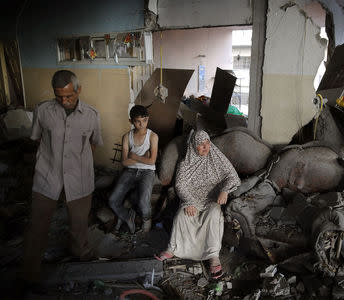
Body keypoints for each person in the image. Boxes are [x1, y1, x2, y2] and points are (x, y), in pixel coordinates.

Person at [22, 70, 103, 285]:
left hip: (80, 178)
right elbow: (37, 139)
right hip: (47, 175)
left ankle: (80, 253)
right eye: (59, 96)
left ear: (79, 90)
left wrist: (74, 162)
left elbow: (93, 143)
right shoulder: (43, 111)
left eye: (69, 96)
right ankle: (30, 274)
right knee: (38, 225)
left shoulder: (91, 115)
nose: (64, 101)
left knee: (78, 223)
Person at [155, 130, 240, 279]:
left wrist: (225, 191)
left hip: (211, 199)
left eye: (207, 142)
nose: (206, 147)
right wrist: (188, 201)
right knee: (182, 216)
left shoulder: (216, 157)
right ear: (194, 146)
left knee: (214, 216)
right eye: (201, 144)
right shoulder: (185, 163)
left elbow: (232, 176)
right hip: (192, 199)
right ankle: (173, 249)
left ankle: (213, 256)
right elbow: (180, 185)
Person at [108, 105, 158, 233]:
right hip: (130, 171)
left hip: (148, 171)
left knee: (143, 202)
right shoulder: (127, 136)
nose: (142, 124)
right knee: (112, 200)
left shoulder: (153, 137)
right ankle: (127, 216)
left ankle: (147, 221)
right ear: (131, 121)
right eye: (138, 121)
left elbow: (152, 161)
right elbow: (124, 162)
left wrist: (134, 156)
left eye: (145, 120)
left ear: (148, 119)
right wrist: (143, 157)